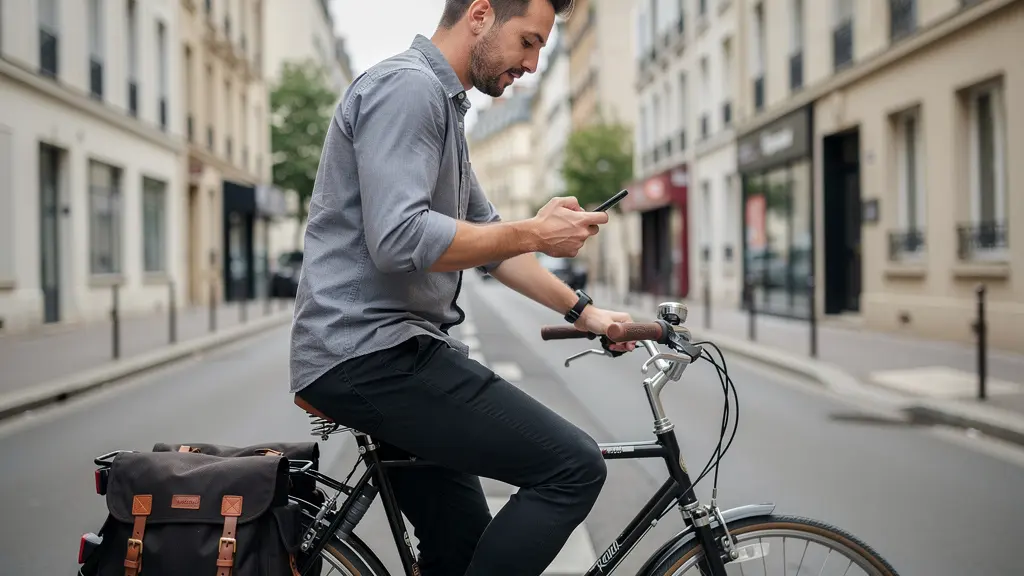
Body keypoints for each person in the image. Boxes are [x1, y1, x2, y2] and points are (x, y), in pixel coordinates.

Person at [290, 1, 638, 574]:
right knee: (573, 466)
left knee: (463, 549)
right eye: (527, 41)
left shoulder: (444, 109)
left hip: (387, 353)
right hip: (372, 353)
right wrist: (533, 231)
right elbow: (399, 238)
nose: (530, 64)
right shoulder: (408, 89)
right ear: (479, 14)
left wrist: (587, 312)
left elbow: (497, 248)